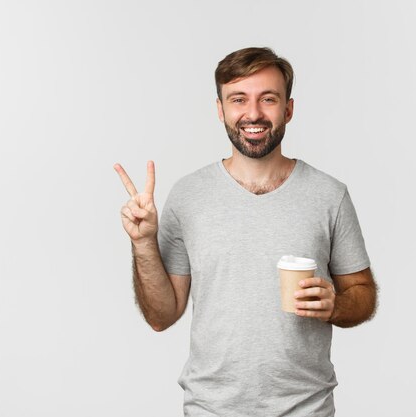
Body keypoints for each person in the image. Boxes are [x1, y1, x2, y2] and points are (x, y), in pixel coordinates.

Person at [114, 47, 377, 417]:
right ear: (220, 109)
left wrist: (337, 304)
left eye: (267, 99)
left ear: (288, 109)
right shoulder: (188, 195)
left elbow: (363, 294)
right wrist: (142, 244)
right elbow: (162, 315)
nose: (253, 114)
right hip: (211, 409)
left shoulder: (329, 195)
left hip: (306, 409)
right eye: (239, 99)